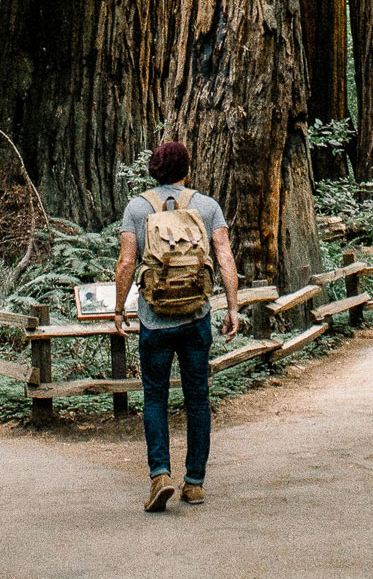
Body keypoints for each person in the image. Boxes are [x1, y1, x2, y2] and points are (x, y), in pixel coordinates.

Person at [113, 141, 240, 512]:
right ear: (187, 168)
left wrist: (119, 309)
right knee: (197, 399)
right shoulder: (206, 205)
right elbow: (224, 255)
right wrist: (232, 306)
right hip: (196, 318)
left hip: (154, 320)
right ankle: (195, 483)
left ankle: (160, 475)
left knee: (155, 398)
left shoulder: (138, 207)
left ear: (153, 169)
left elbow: (126, 261)